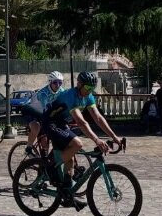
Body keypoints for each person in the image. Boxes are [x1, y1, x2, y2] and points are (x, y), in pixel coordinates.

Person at [40, 71, 123, 208]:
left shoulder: (88, 96)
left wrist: (115, 137)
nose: (89, 91)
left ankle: (67, 195)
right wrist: (97, 140)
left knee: (70, 158)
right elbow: (81, 122)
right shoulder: (71, 96)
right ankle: (51, 167)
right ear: (79, 84)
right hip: (50, 122)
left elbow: (98, 118)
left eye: (92, 88)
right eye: (87, 88)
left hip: (61, 124)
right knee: (78, 144)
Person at [24, 71, 65, 155]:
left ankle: (43, 162)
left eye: (60, 82)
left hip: (41, 112)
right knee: (36, 127)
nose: (57, 85)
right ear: (50, 82)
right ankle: (28, 148)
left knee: (45, 144)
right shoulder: (43, 93)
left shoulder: (61, 91)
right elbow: (45, 110)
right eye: (55, 82)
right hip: (31, 110)